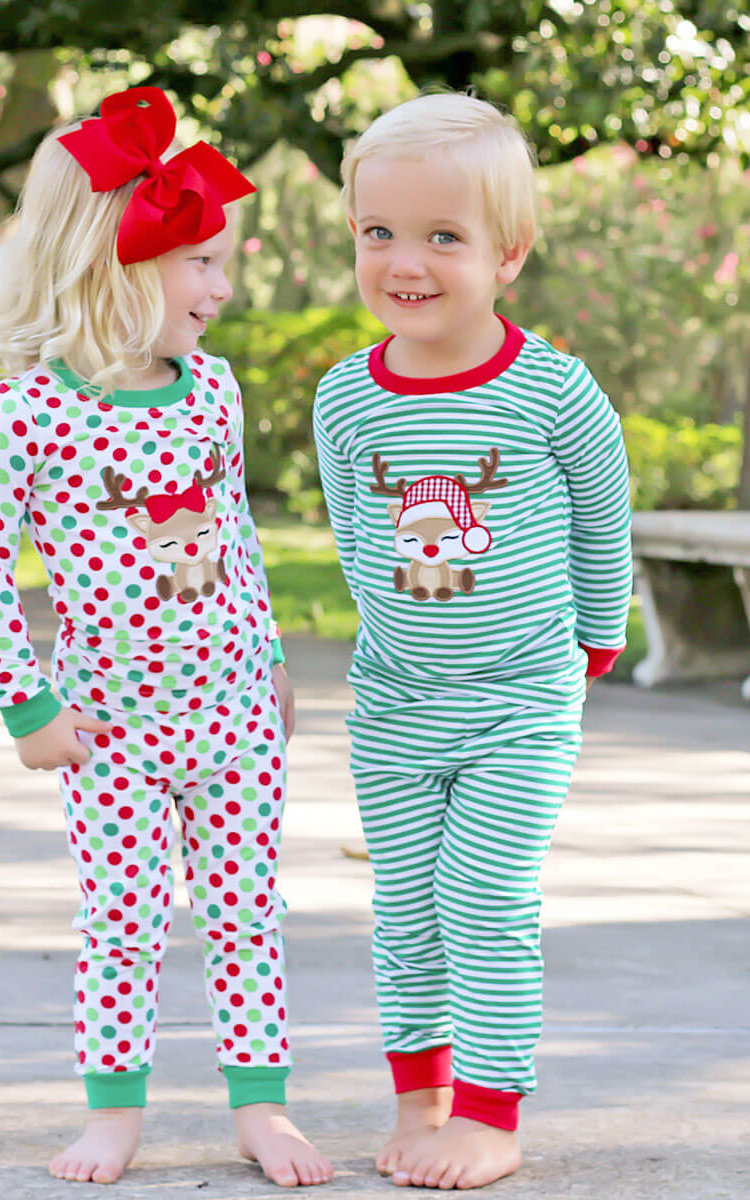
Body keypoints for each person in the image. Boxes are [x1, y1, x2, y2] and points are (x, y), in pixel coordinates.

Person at [0, 85, 333, 1189]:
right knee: (122, 920)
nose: (222, 287)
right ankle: (114, 1114)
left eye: (223, 262)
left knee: (246, 912)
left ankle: (261, 1109)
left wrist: (269, 665)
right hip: (108, 728)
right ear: (117, 263)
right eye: (202, 263)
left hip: (230, 719)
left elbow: (242, 540)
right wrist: (27, 708)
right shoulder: (30, 412)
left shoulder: (211, 391)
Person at [313, 91, 633, 1190]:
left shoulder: (552, 391)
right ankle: (422, 1101)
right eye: (379, 233)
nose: (406, 261)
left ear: (510, 254)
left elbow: (603, 511)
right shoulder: (345, 398)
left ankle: (492, 1114)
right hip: (397, 701)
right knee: (405, 906)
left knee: (484, 899)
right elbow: (358, 536)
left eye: (444, 236)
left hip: (521, 697)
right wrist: (393, 639)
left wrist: (598, 632)